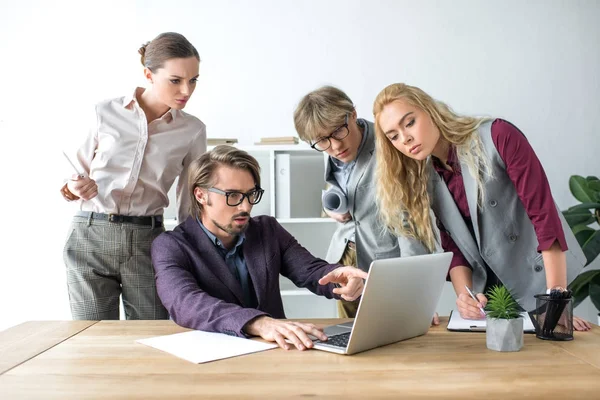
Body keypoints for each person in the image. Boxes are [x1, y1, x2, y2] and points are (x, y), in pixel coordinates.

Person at [372, 82, 592, 331]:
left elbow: (543, 214)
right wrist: (465, 295)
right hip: (491, 298)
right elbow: (454, 245)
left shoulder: (498, 135)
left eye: (409, 123)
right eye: (394, 136)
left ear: (430, 110)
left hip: (540, 279)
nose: (405, 139)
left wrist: (556, 298)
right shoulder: (425, 179)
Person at [151, 145, 368, 350]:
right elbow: (185, 303)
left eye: (250, 194)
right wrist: (259, 323)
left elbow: (310, 270)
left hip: (274, 353)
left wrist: (339, 278)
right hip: (209, 360)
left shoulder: (267, 230)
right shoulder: (171, 245)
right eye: (233, 196)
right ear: (201, 195)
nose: (246, 207)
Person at [60, 32, 206, 320]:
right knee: (94, 339)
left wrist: (192, 252)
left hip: (149, 240)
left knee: (152, 335)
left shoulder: (193, 130)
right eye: (175, 80)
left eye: (193, 80)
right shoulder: (103, 112)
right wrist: (76, 186)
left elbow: (191, 198)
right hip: (91, 235)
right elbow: (72, 177)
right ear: (148, 75)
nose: (186, 90)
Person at [293, 86, 429, 320]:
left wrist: (413, 288)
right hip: (344, 257)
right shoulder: (333, 142)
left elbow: (408, 219)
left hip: (385, 260)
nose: (334, 147)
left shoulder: (389, 143)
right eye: (321, 141)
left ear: (352, 114)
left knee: (395, 336)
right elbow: (347, 188)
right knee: (349, 335)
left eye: (337, 133)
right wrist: (329, 209)